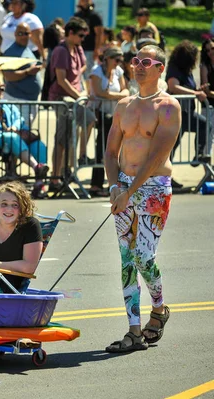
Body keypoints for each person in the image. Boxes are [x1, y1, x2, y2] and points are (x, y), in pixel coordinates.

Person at [104, 45, 179, 353]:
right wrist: (114, 188)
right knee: (126, 262)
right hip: (123, 188)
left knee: (143, 257)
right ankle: (133, 331)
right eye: (135, 61)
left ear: (160, 68)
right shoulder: (123, 105)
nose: (138, 66)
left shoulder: (168, 107)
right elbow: (111, 152)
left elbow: (155, 157)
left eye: (146, 62)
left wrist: (128, 193)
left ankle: (159, 308)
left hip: (153, 191)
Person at [0, 78, 49, 199]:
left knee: (39, 145)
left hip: (14, 136)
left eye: (1, 89)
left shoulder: (9, 104)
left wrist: (14, 126)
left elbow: (19, 119)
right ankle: (36, 166)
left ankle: (39, 183)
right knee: (11, 137)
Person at [48, 17, 96, 192]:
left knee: (90, 120)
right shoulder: (60, 51)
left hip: (75, 98)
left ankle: (79, 159)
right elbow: (61, 80)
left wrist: (81, 88)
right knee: (62, 139)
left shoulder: (77, 48)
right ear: (70, 33)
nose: (83, 39)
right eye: (80, 35)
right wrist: (80, 96)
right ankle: (55, 177)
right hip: (63, 98)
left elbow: (82, 67)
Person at [88, 46, 128, 197]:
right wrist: (117, 96)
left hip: (114, 115)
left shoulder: (118, 71)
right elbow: (98, 92)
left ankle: (116, 183)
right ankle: (96, 183)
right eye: (116, 60)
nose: (119, 63)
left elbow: (126, 91)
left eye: (120, 60)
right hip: (100, 115)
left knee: (116, 150)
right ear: (107, 59)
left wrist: (110, 95)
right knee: (102, 149)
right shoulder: (96, 71)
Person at [166, 40, 210, 164]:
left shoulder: (187, 71)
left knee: (173, 146)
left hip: (185, 111)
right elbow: (173, 86)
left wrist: (197, 90)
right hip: (177, 113)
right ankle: (199, 155)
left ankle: (164, 176)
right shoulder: (174, 69)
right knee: (204, 124)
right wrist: (195, 94)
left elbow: (186, 87)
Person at [2, 22, 42, 126]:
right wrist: (28, 72)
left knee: (25, 132)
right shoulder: (11, 52)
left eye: (26, 33)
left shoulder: (27, 49)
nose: (23, 36)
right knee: (20, 133)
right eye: (20, 33)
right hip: (18, 101)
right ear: (15, 34)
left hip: (30, 100)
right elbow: (8, 75)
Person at [74, 0, 103, 78]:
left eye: (86, 1)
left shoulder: (95, 16)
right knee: (76, 70)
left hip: (90, 49)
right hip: (77, 48)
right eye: (82, 1)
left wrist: (97, 49)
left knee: (89, 72)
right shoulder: (77, 16)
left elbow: (99, 34)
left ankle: (90, 89)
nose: (83, 2)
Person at [199, 38, 214, 157]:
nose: (211, 52)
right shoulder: (205, 66)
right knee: (208, 139)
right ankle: (208, 171)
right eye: (207, 50)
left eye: (213, 48)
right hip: (209, 107)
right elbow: (206, 91)